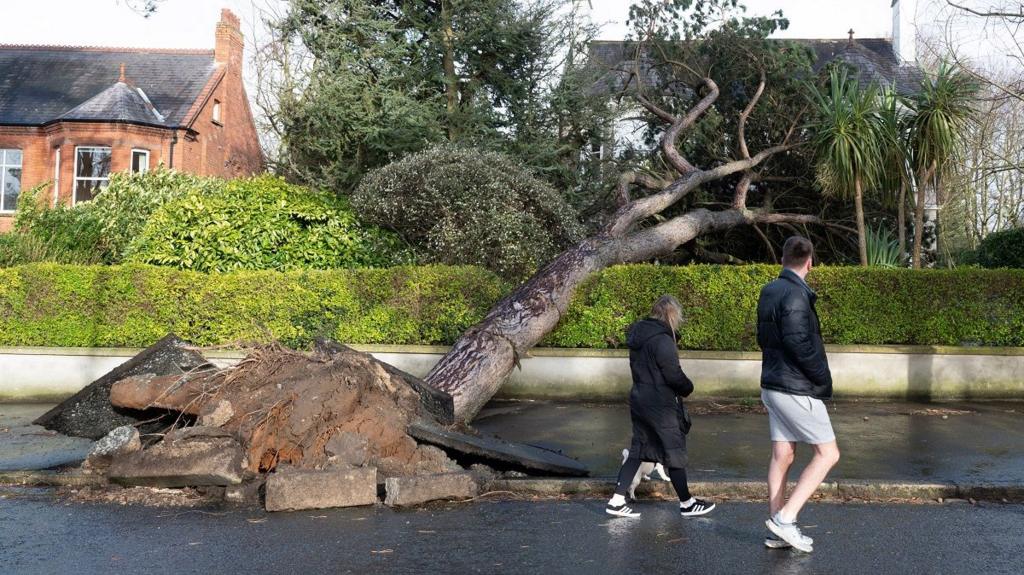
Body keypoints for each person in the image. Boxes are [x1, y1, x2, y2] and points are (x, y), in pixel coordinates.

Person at [757, 236, 840, 553]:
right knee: (828, 454)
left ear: (782, 258)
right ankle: (785, 519)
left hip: (773, 385)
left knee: (783, 455)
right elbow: (799, 345)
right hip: (795, 387)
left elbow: (763, 338)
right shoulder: (795, 294)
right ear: (810, 262)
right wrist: (823, 378)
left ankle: (778, 526)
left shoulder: (770, 291)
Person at [606, 295, 715, 519]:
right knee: (673, 451)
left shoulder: (639, 337)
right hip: (660, 404)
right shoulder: (662, 340)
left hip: (640, 399)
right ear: (672, 315)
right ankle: (687, 503)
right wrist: (688, 387)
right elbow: (672, 374)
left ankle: (616, 500)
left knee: (639, 450)